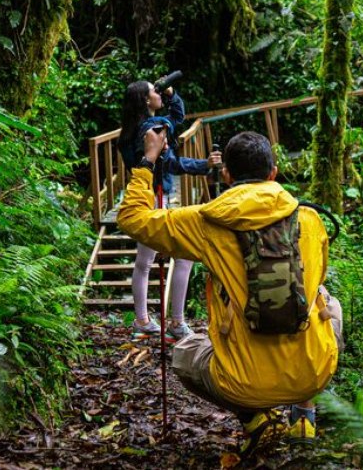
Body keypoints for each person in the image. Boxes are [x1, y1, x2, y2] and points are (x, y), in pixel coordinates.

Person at [118, 130, 343, 454]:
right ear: (273, 173)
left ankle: (254, 417)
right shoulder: (309, 219)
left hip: (242, 381)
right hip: (312, 372)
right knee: (327, 303)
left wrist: (147, 161)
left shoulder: (205, 223)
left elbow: (132, 219)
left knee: (183, 354)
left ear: (226, 174)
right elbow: (315, 280)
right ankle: (304, 415)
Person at [117, 79, 219, 342]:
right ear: (145, 100)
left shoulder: (127, 134)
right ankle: (176, 322)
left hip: (140, 196)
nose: (158, 93)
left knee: (143, 264)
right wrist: (203, 165)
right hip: (155, 200)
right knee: (183, 256)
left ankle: (143, 321)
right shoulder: (155, 127)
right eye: (154, 91)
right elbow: (177, 122)